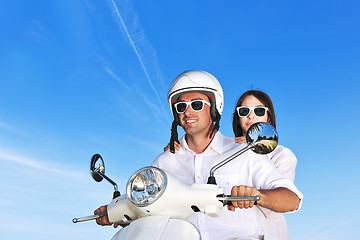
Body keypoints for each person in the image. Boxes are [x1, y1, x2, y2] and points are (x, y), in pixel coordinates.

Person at [94, 70, 303, 240]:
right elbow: (146, 205)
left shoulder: (243, 153)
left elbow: (292, 200)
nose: (187, 111)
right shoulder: (164, 162)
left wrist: (257, 195)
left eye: (196, 104)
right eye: (181, 106)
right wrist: (115, 211)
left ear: (214, 108)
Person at [232, 90, 297, 239]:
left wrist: (252, 149)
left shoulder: (282, 155)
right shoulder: (226, 151)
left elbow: (279, 204)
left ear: (268, 117)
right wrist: (178, 149)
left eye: (259, 110)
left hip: (268, 233)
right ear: (238, 118)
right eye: (244, 111)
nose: (251, 116)